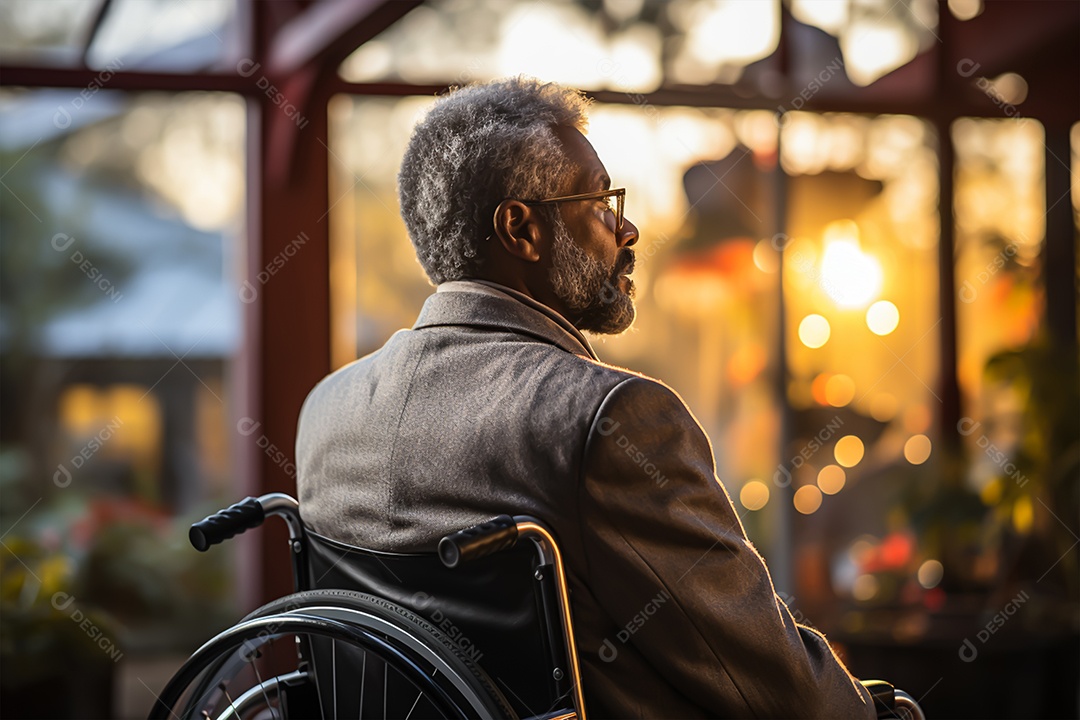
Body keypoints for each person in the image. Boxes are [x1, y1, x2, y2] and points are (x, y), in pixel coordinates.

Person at [296, 76, 877, 719]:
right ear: (521, 228)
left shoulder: (326, 409)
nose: (627, 230)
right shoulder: (609, 419)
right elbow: (778, 688)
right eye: (602, 202)